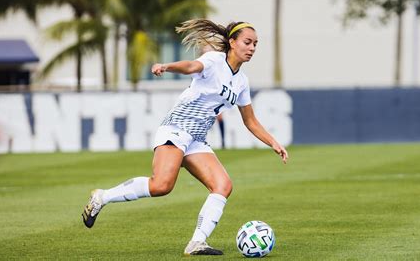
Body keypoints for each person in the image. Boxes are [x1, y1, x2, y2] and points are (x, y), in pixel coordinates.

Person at [81, 19, 288, 256]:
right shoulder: (213, 61)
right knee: (161, 186)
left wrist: (274, 142)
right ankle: (102, 197)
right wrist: (167, 66)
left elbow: (250, 121)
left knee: (223, 185)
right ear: (232, 42)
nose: (252, 48)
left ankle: (197, 242)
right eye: (247, 42)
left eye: (255, 44)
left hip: (197, 138)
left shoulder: (242, 82)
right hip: (177, 128)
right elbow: (191, 66)